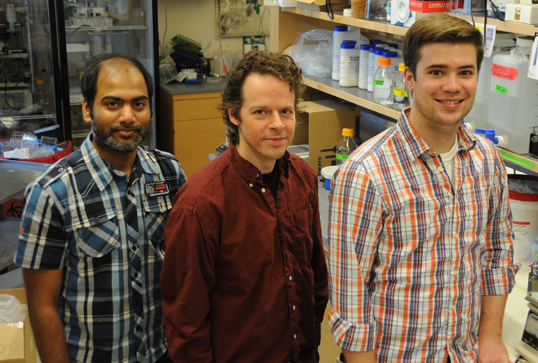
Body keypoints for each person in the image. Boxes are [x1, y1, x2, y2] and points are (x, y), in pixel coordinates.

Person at [327, 13, 520, 363]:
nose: (453, 86)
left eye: (465, 72)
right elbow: (350, 302)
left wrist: (490, 340)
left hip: (464, 354)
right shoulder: (365, 172)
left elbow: (497, 256)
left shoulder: (487, 160)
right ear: (409, 78)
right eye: (436, 72)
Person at [15, 53, 186, 363]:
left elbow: (185, 272)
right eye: (112, 104)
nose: (127, 117)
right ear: (86, 109)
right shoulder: (51, 194)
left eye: (138, 104)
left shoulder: (169, 172)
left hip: (162, 353)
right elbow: (42, 306)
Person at [161, 49, 329, 363]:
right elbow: (185, 320)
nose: (278, 124)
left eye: (286, 111)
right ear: (234, 114)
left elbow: (315, 272)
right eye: (261, 112)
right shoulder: (200, 204)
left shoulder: (303, 177)